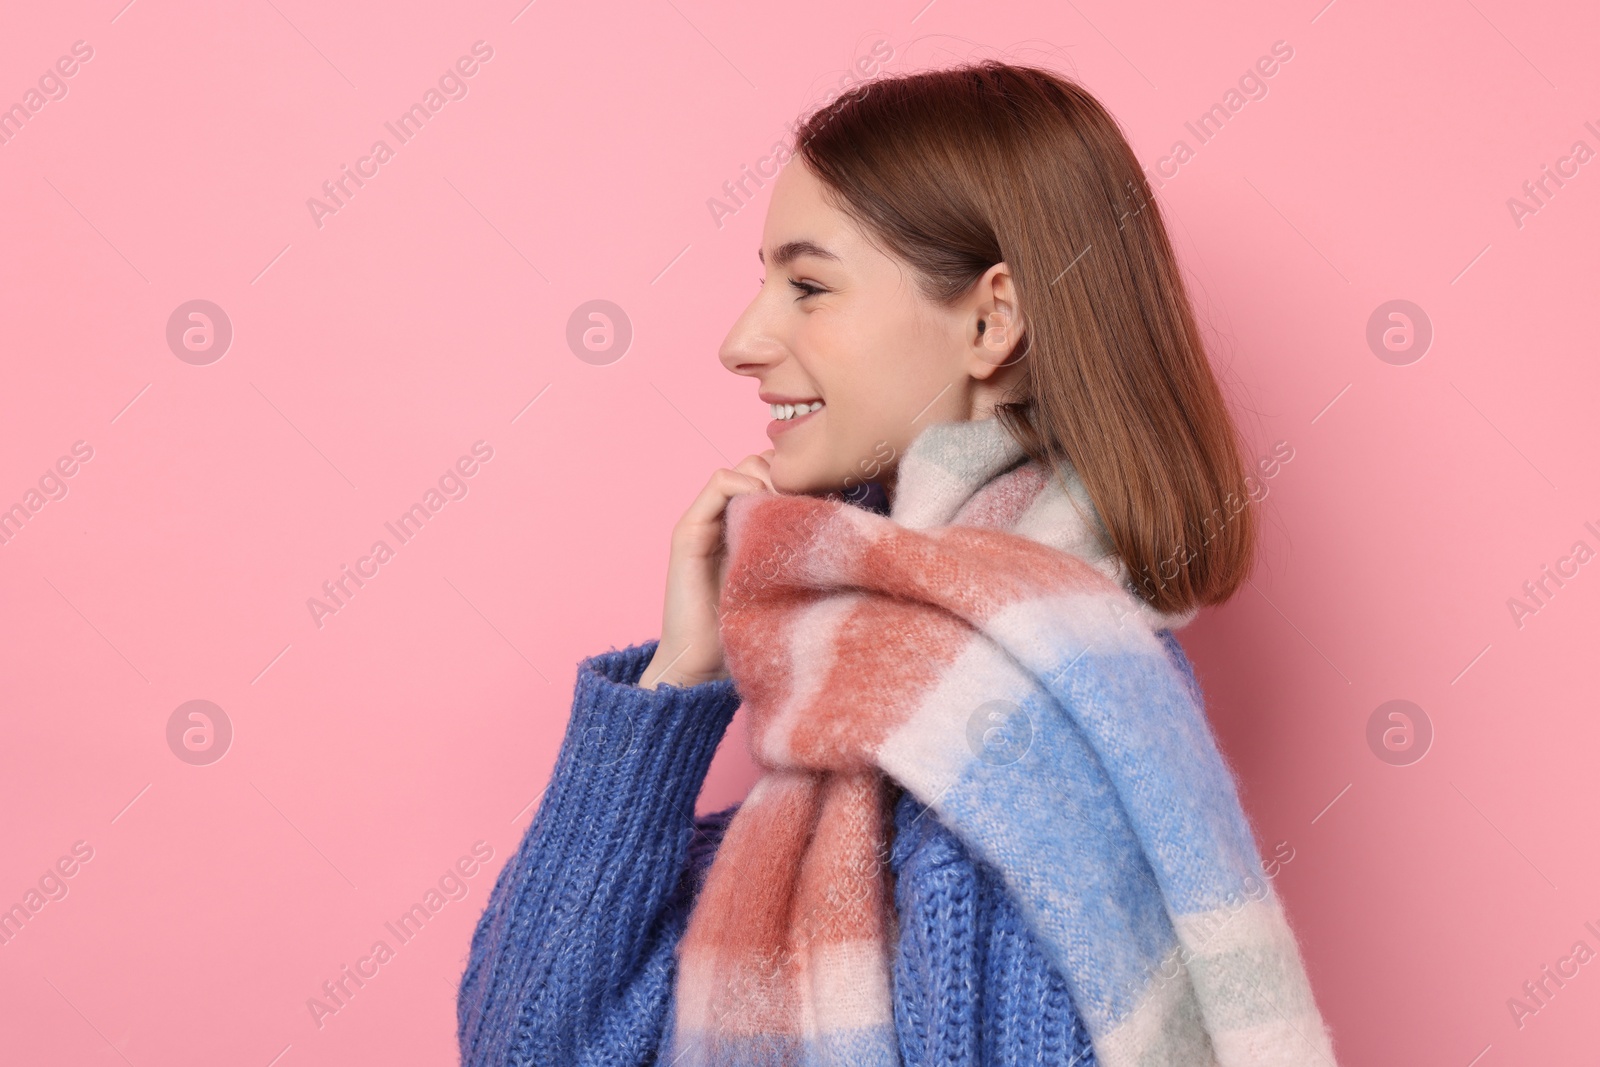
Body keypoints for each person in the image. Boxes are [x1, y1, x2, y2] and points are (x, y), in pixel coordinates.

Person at [458, 60, 1336, 1066]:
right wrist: (678, 676)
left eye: (808, 286)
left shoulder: (1011, 721)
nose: (741, 340)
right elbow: (530, 1046)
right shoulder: (872, 682)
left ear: (989, 319)